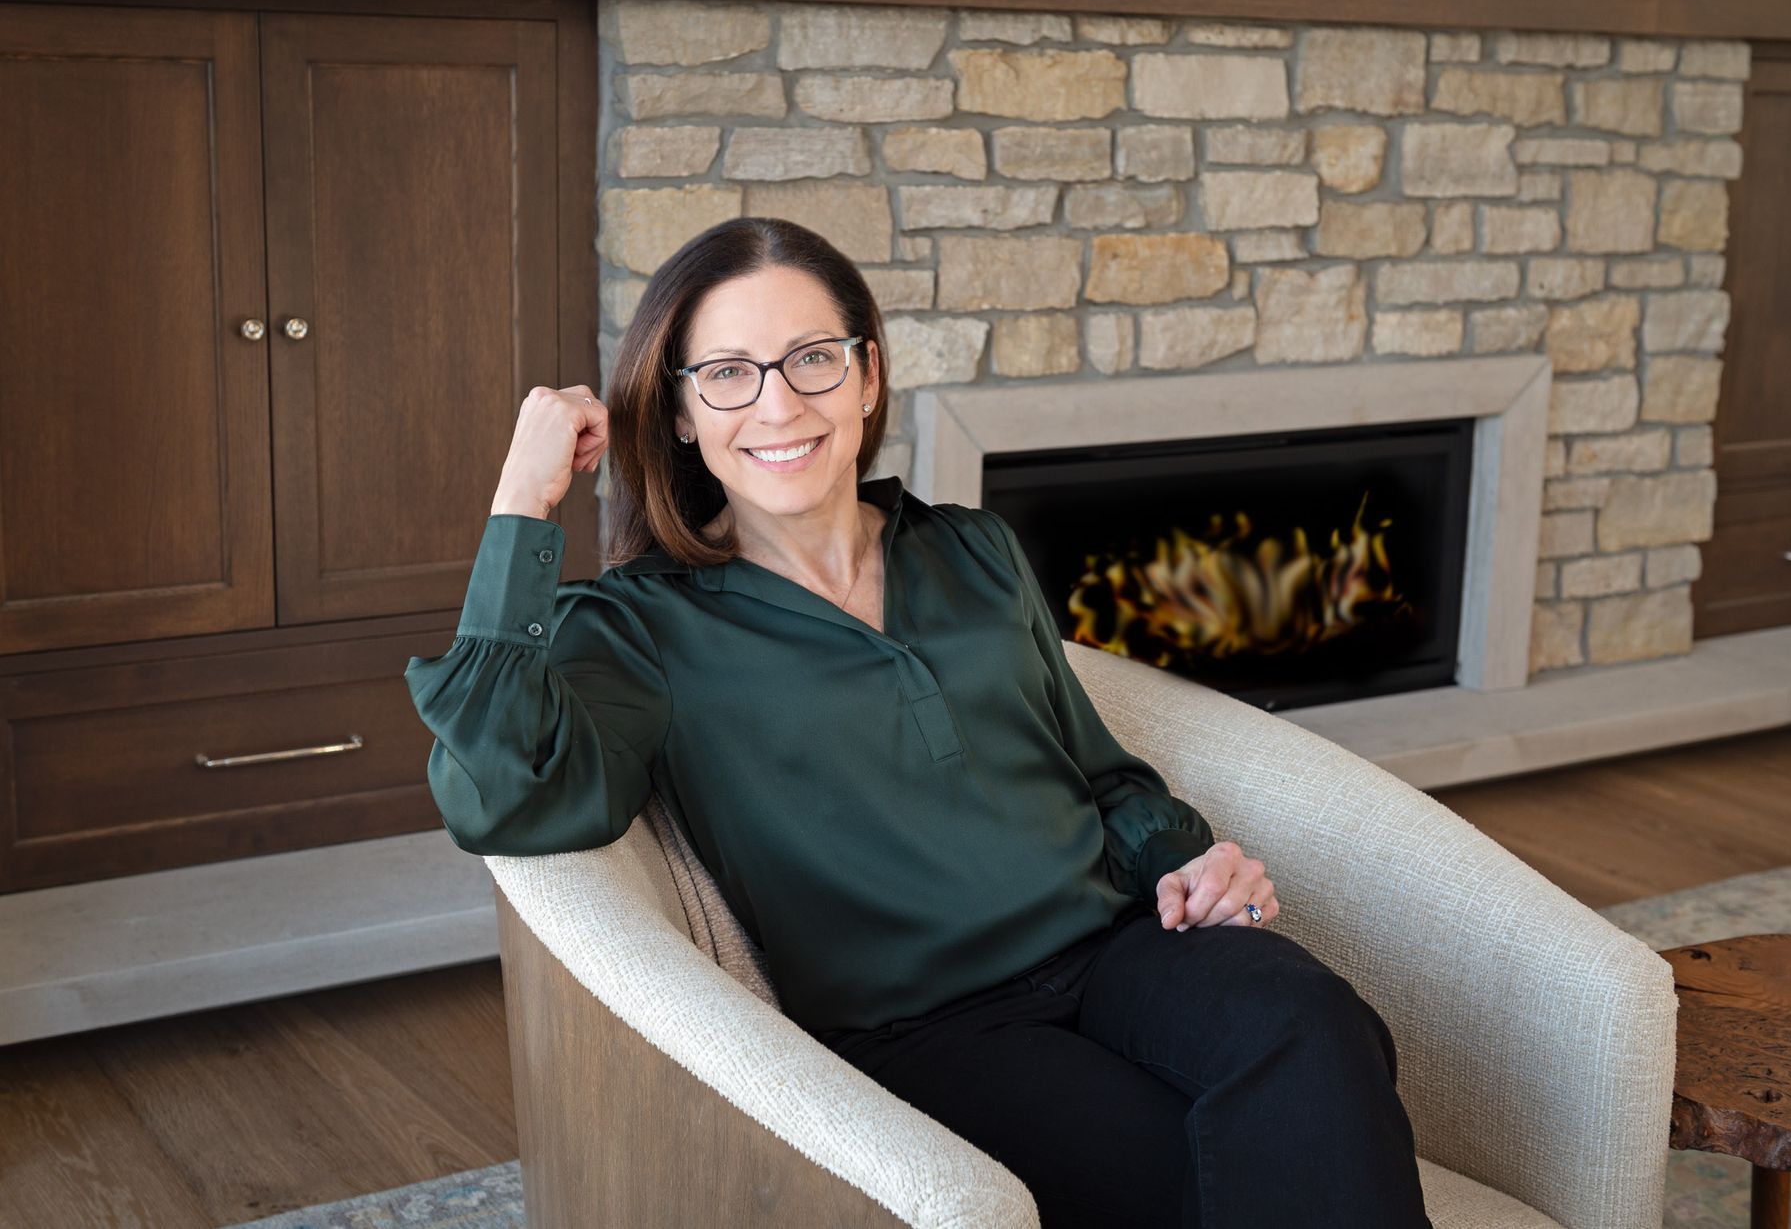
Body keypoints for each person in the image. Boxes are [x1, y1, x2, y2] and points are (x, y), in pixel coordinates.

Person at [403, 216, 1433, 1228]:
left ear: (867, 376)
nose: (778, 402)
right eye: (727, 372)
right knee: (1178, 1173)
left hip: (1129, 943)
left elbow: (1099, 771)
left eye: (812, 358)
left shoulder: (975, 552)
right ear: (679, 413)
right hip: (931, 1030)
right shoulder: (641, 626)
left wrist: (1190, 861)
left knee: (1321, 1029)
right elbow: (502, 798)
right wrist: (522, 502)